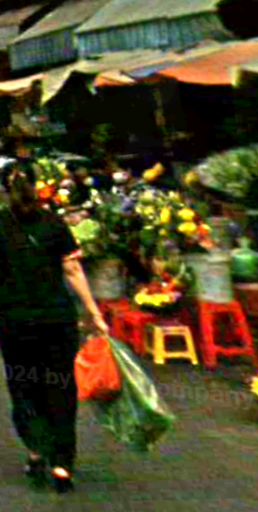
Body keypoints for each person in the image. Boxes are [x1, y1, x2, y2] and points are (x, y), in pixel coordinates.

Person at [0, 162, 109, 493]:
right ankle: (62, 464)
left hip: (15, 321)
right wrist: (94, 312)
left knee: (24, 386)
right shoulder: (54, 222)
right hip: (57, 320)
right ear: (39, 186)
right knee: (60, 387)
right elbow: (73, 270)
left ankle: (36, 449)